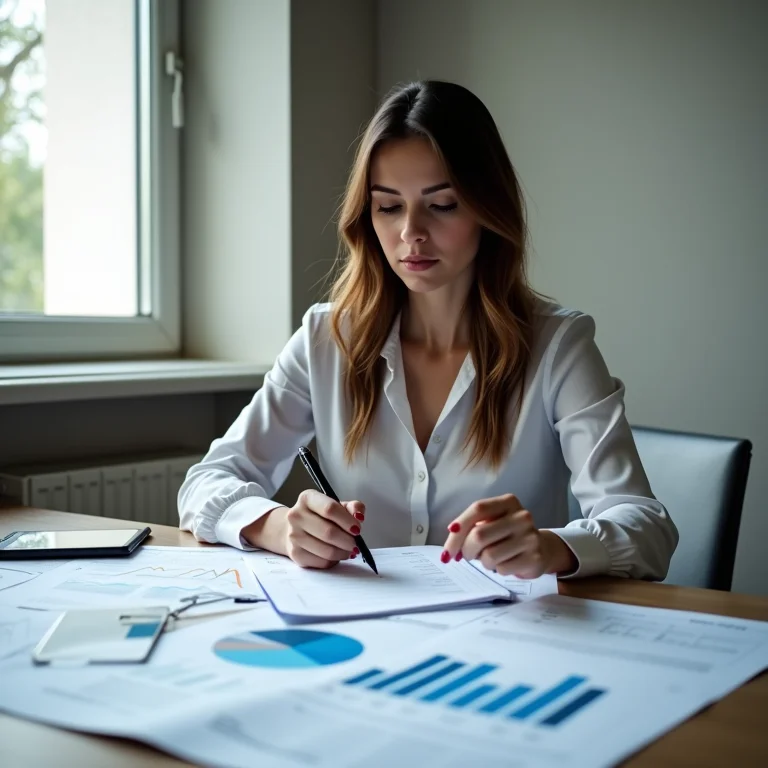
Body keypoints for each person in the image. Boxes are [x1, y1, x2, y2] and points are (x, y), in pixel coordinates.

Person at [179, 80, 678, 580]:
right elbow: (206, 482)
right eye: (389, 206)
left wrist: (552, 547)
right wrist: (278, 526)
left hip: (511, 639)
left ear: (489, 209)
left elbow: (647, 528)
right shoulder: (325, 338)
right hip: (361, 629)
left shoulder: (557, 347)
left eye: (442, 205)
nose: (410, 233)